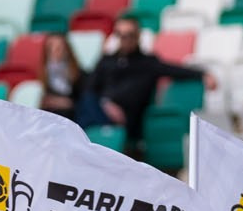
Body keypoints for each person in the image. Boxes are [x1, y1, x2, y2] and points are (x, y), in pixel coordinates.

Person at [83, 16, 215, 152]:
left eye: (130, 35)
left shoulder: (148, 63)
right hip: (100, 112)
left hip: (129, 120)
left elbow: (174, 70)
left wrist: (202, 74)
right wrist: (106, 104)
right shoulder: (106, 61)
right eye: (120, 35)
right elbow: (89, 88)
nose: (125, 39)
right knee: (84, 103)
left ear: (138, 36)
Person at [38, 32, 86, 120]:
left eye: (59, 48)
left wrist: (65, 103)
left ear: (67, 50)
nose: (54, 51)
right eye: (50, 49)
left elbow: (83, 102)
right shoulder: (44, 76)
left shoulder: (79, 75)